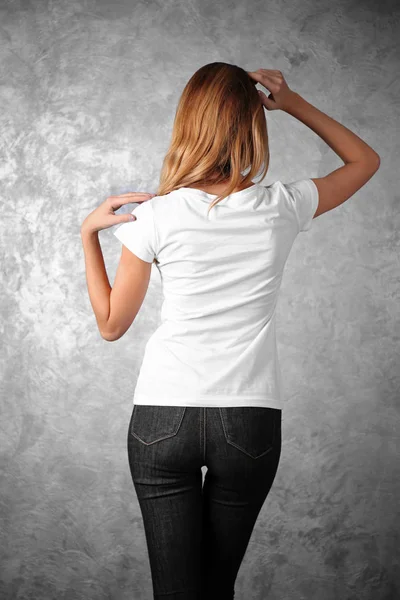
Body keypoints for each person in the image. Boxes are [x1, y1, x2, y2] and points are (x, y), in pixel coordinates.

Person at [80, 63, 380, 599]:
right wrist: (294, 104)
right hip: (250, 419)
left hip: (161, 417)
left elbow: (110, 326)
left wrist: (87, 235)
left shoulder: (154, 216)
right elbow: (365, 160)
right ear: (251, 125)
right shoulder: (282, 206)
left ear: (187, 124)